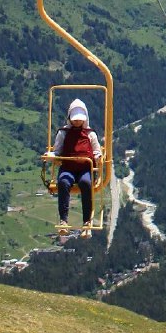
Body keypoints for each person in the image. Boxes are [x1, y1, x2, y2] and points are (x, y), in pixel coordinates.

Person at [51, 98, 102, 238]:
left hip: (85, 169)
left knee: (86, 183)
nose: (77, 122)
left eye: (80, 120)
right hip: (68, 168)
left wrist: (98, 158)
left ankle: (87, 222)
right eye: (75, 119)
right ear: (70, 118)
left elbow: (97, 151)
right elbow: (58, 150)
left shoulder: (90, 134)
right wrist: (52, 155)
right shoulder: (63, 133)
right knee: (63, 182)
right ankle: (63, 221)